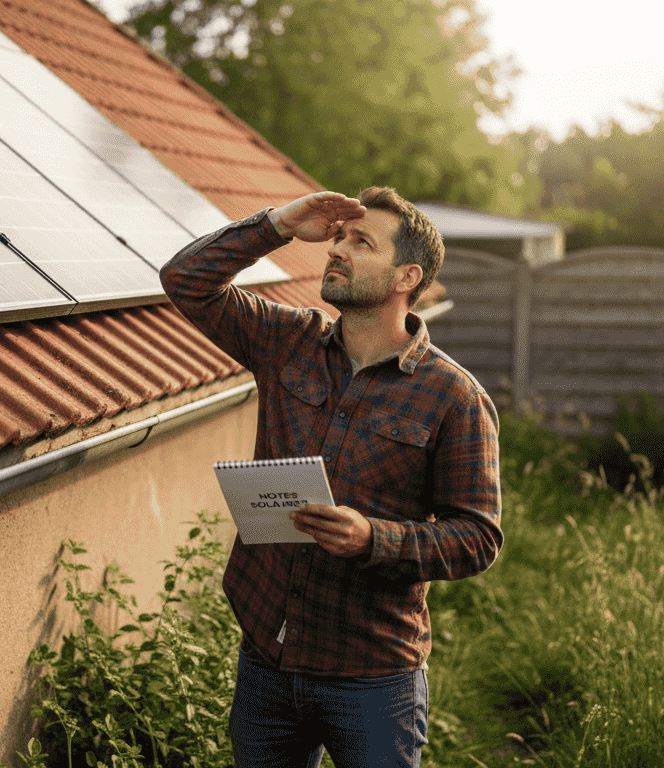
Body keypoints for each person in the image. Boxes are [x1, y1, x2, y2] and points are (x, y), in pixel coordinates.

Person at [159, 189, 503, 767]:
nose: (337, 250)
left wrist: (373, 538)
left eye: (360, 242)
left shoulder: (455, 397)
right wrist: (279, 224)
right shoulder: (286, 341)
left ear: (406, 276)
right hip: (268, 661)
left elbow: (477, 538)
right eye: (338, 238)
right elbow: (185, 279)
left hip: (373, 679)